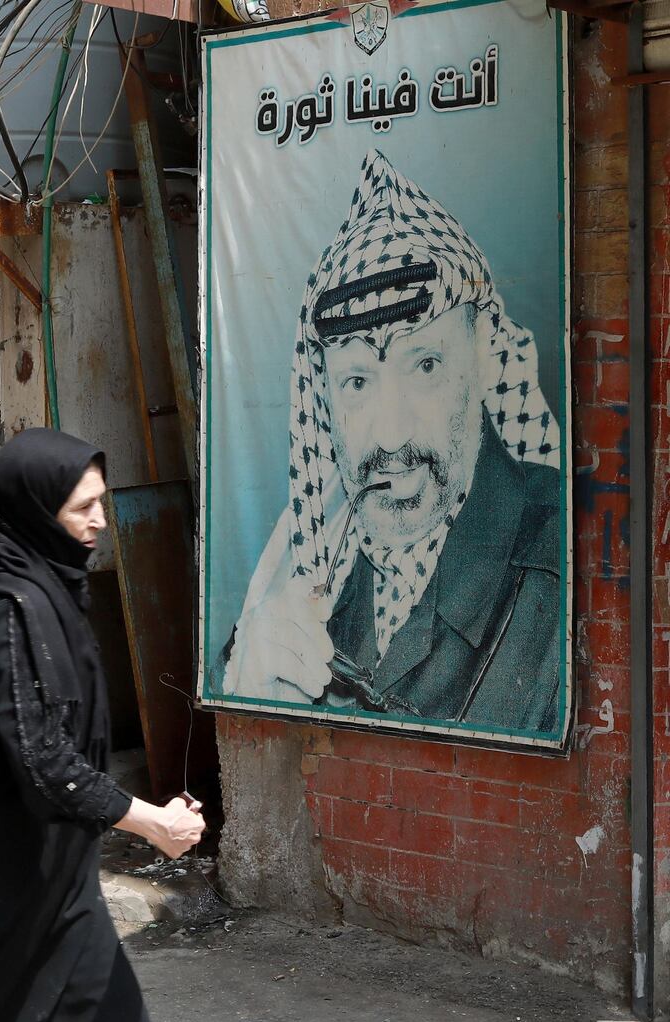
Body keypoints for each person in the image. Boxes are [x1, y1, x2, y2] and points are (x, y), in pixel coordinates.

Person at [220, 149, 563, 734]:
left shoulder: (566, 559)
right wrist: (253, 696)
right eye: (356, 381)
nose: (390, 433)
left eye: (425, 366)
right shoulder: (313, 562)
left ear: (482, 358)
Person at [0, 427, 205, 1022]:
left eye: (101, 502)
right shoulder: (9, 608)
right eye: (83, 507)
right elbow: (41, 759)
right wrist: (150, 821)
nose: (102, 520)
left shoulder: (49, 590)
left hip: (56, 887)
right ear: (35, 510)